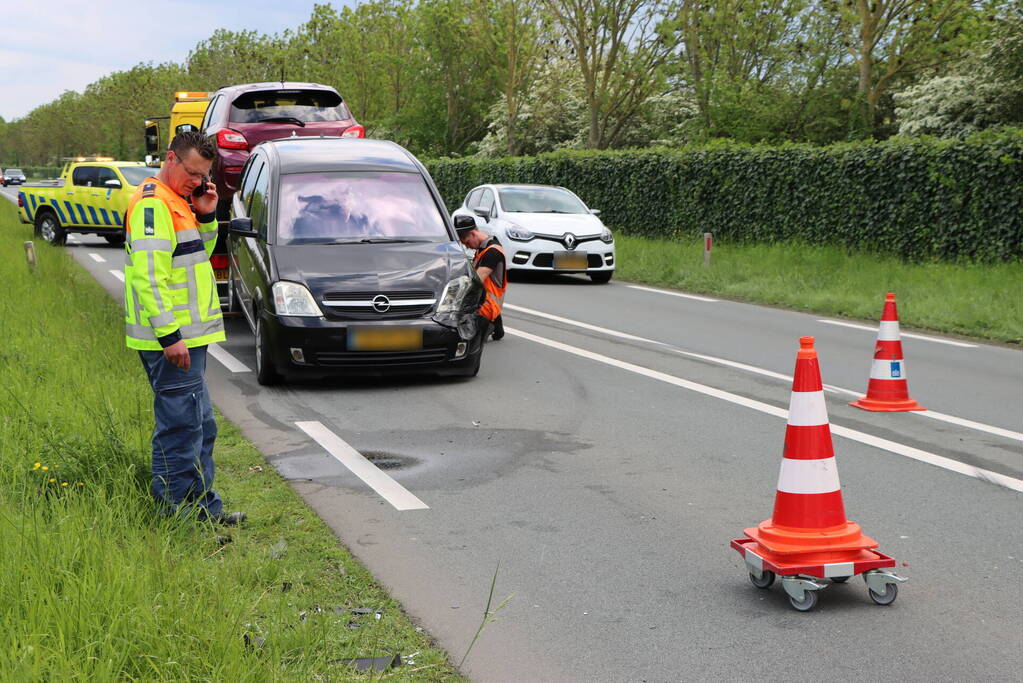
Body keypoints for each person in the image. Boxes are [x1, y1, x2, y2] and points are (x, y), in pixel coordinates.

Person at [123, 131, 245, 525]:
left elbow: (198, 257)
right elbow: (148, 278)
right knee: (180, 428)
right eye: (192, 172)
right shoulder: (152, 205)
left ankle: (202, 508)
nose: (197, 181)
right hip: (172, 341)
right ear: (171, 159)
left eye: (203, 175)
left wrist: (207, 215)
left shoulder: (178, 202)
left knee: (200, 425)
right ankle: (175, 514)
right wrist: (169, 335)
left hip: (189, 338)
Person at [455, 221, 507, 340]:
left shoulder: (492, 253)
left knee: (462, 336)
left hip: (485, 308)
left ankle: (489, 324)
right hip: (487, 303)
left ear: (473, 233)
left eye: (467, 242)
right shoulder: (484, 247)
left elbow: (475, 282)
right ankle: (495, 325)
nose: (467, 246)